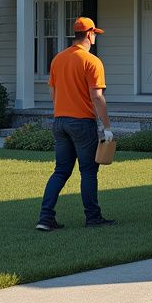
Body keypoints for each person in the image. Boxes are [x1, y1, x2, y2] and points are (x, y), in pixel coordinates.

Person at [36, 16, 115, 231]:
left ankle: (45, 218)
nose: (95, 37)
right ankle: (93, 217)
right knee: (88, 170)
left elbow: (53, 92)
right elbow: (97, 97)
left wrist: (62, 113)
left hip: (60, 122)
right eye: (95, 34)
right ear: (89, 34)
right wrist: (107, 128)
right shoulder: (92, 61)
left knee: (61, 170)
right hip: (82, 123)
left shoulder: (57, 59)